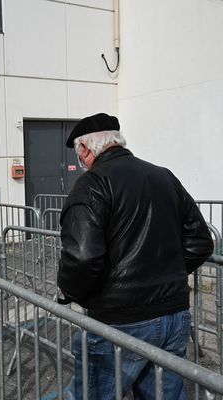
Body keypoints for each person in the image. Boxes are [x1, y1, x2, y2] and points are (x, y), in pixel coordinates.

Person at [56, 113, 213, 399]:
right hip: (174, 316)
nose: (81, 161)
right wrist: (169, 273)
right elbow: (201, 241)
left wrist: (71, 292)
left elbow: (82, 258)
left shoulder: (92, 184)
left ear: (86, 150)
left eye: (79, 154)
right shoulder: (164, 176)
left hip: (120, 322)